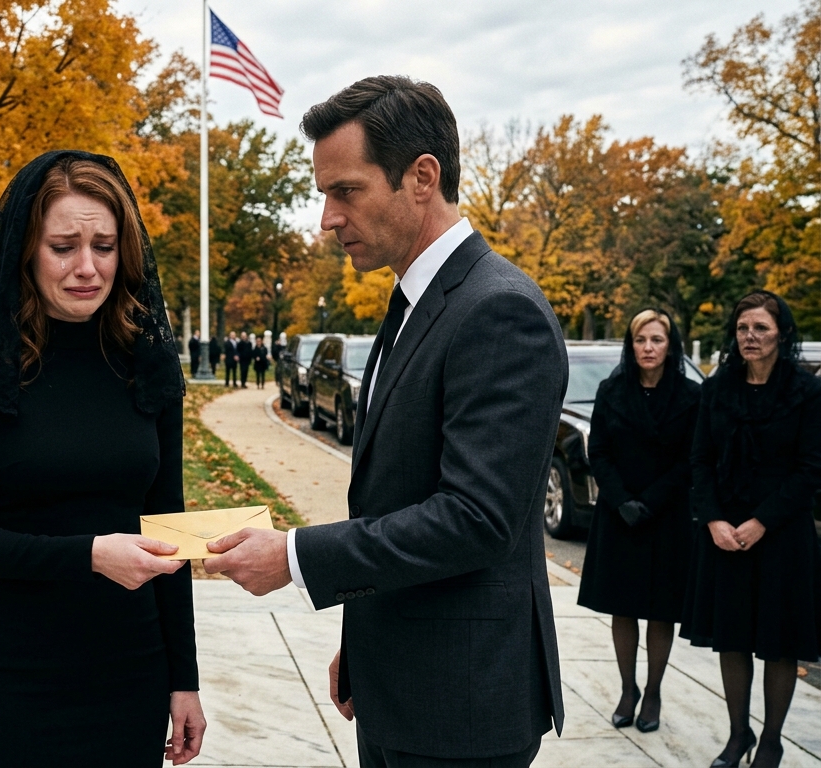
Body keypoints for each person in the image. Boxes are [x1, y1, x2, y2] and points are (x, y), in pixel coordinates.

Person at [202, 76, 565, 767]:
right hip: (406, 677)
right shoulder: (416, 301)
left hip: (460, 709)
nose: (328, 219)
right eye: (324, 195)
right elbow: (400, 496)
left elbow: (474, 520)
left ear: (421, 177)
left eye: (346, 191)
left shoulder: (497, 310)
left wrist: (294, 557)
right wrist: (368, 636)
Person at [0, 151, 206, 768]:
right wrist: (90, 555)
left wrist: (183, 678)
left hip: (129, 672)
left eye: (104, 246)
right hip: (12, 674)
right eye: (63, 246)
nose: (87, 267)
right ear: (26, 250)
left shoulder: (148, 362)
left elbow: (170, 524)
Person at [680, 291, 821, 768]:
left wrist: (761, 523)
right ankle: (738, 736)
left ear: (781, 332)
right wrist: (714, 519)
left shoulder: (807, 392)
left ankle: (773, 741)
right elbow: (699, 460)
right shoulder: (716, 389)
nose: (750, 337)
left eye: (760, 328)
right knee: (733, 637)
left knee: (779, 643)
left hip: (781, 536)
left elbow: (810, 469)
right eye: (743, 328)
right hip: (723, 535)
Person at [576, 308, 700, 734]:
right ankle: (627, 689)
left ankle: (653, 692)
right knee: (622, 607)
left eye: (657, 340)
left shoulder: (689, 395)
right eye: (640, 340)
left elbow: (691, 459)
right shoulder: (612, 390)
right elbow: (600, 452)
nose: (648, 347)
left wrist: (650, 501)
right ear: (630, 345)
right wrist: (622, 500)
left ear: (671, 346)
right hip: (618, 515)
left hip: (665, 516)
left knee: (660, 611)